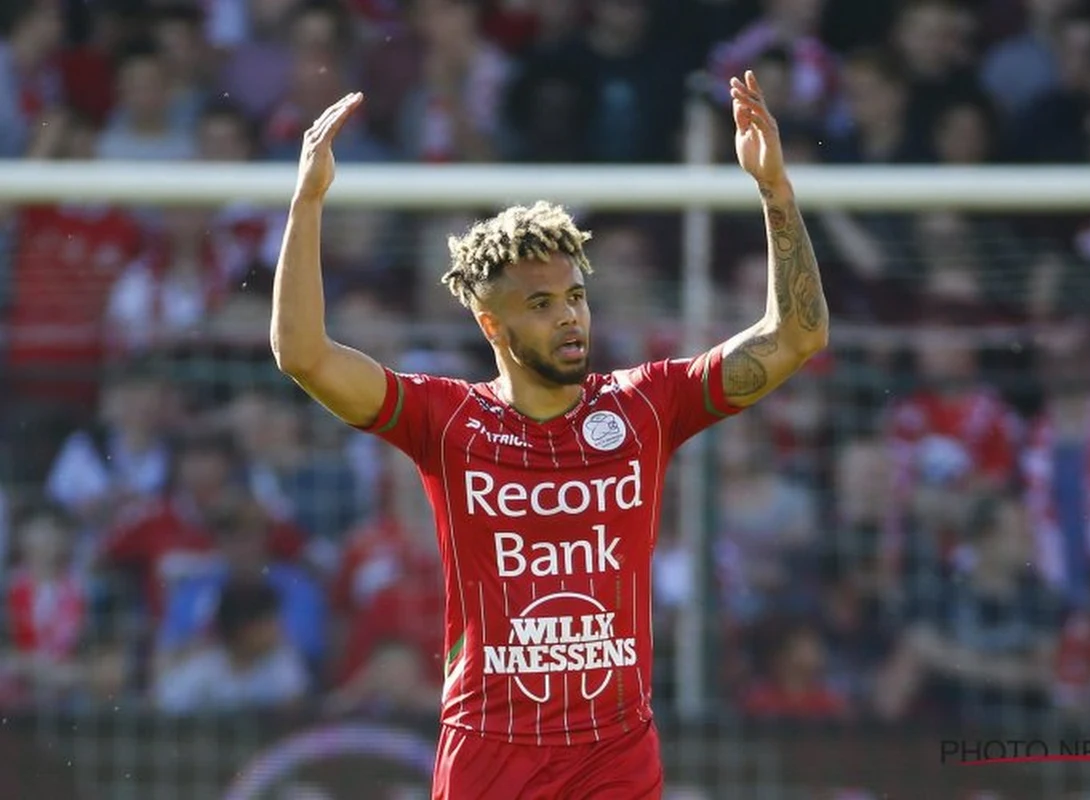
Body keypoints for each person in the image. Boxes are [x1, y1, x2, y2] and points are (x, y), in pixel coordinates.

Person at [270, 71, 829, 799]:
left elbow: (799, 336)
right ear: (491, 324)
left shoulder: (644, 407)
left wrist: (775, 191)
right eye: (540, 303)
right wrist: (308, 202)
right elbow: (302, 354)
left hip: (615, 749)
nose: (569, 317)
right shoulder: (447, 421)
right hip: (490, 752)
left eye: (575, 296)